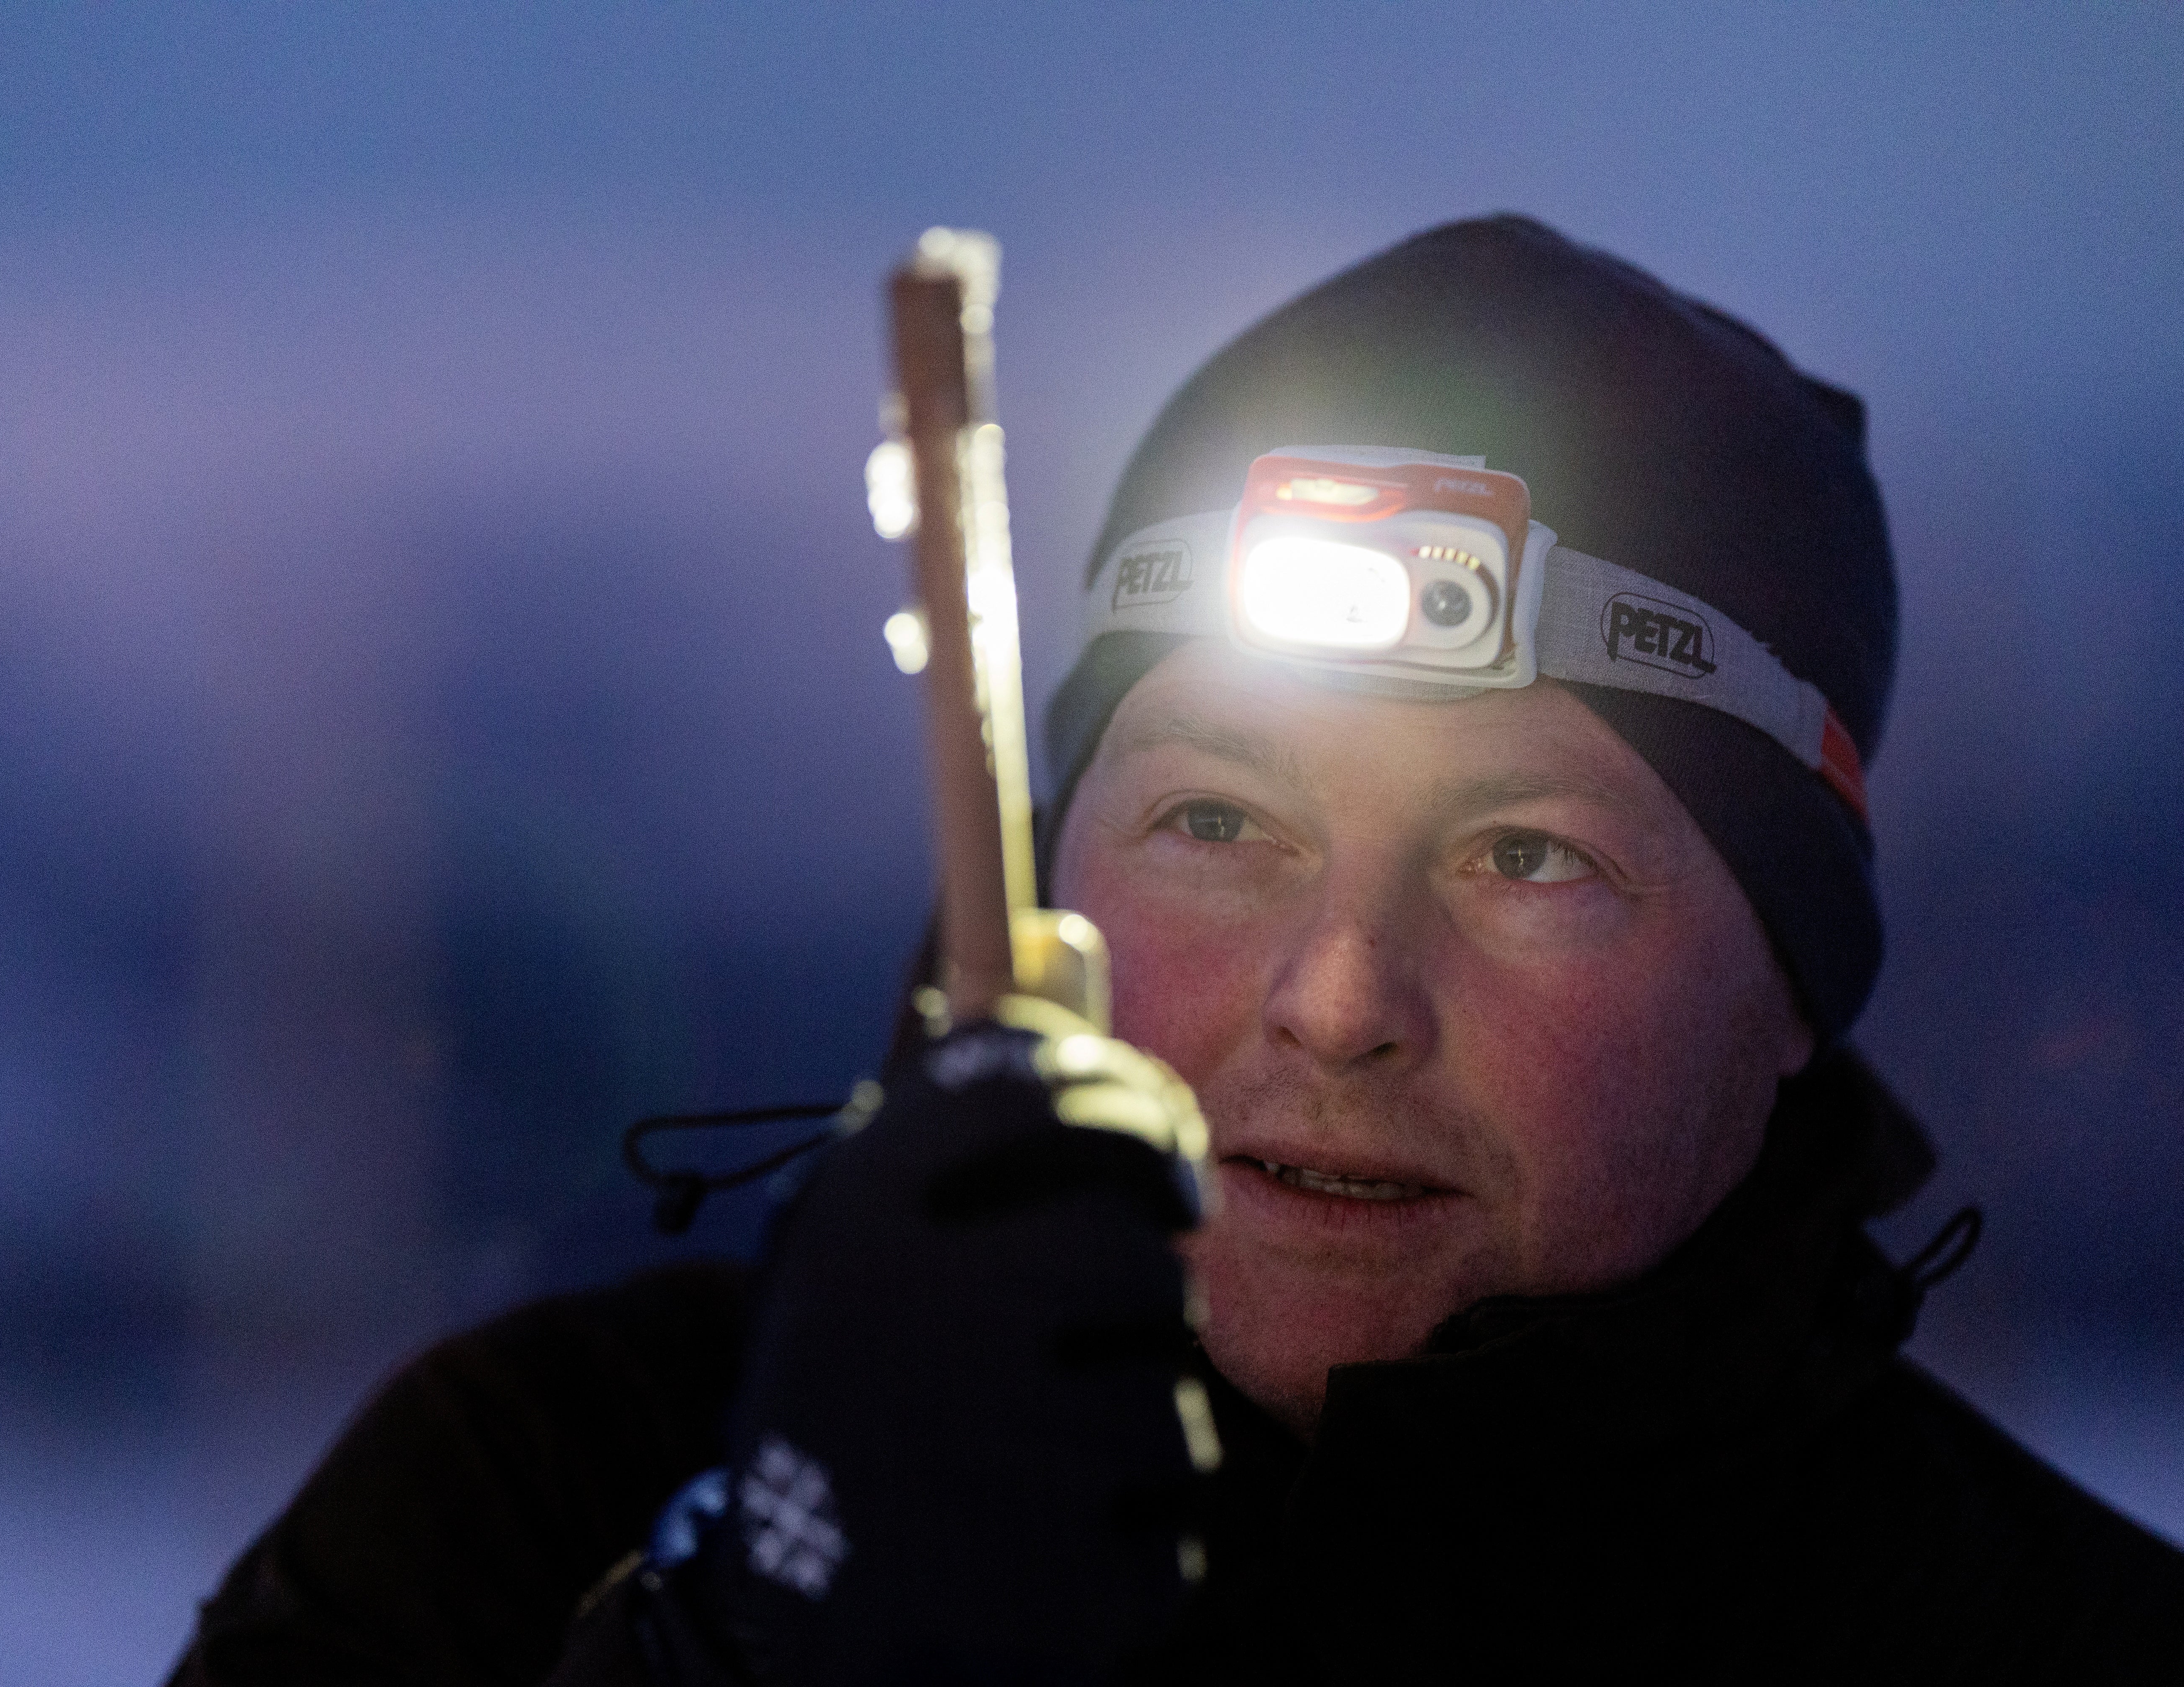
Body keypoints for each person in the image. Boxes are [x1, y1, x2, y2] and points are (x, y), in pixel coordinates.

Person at [166, 216, 2184, 1684]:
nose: (1338, 995)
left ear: (1791, 1003)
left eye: (1529, 857)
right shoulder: (529, 1496)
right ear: (1047, 882)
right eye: (1220, 822)